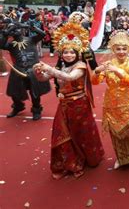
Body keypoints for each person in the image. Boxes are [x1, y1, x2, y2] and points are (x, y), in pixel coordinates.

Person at [33, 22, 104, 179]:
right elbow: (44, 78)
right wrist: (38, 72)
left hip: (79, 105)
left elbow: (70, 77)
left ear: (78, 53)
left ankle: (90, 157)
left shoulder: (80, 66)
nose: (69, 55)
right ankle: (69, 160)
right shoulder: (62, 66)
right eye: (66, 52)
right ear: (61, 53)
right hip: (64, 105)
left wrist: (51, 70)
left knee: (82, 133)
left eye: (72, 52)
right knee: (62, 133)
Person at [91, 30, 129, 171]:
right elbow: (95, 82)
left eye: (124, 49)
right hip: (111, 104)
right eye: (118, 49)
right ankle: (122, 158)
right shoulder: (108, 63)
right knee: (116, 133)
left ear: (128, 49)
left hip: (128, 103)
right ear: (113, 49)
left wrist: (117, 70)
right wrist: (97, 71)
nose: (121, 51)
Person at [1, 21, 51, 120]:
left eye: (17, 29)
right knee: (14, 92)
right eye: (13, 30)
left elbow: (42, 34)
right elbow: (1, 45)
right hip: (18, 70)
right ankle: (18, 106)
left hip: (33, 69)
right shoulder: (10, 45)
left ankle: (36, 109)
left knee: (34, 92)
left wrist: (31, 27)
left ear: (22, 30)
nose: (16, 31)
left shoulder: (31, 39)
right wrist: (6, 33)